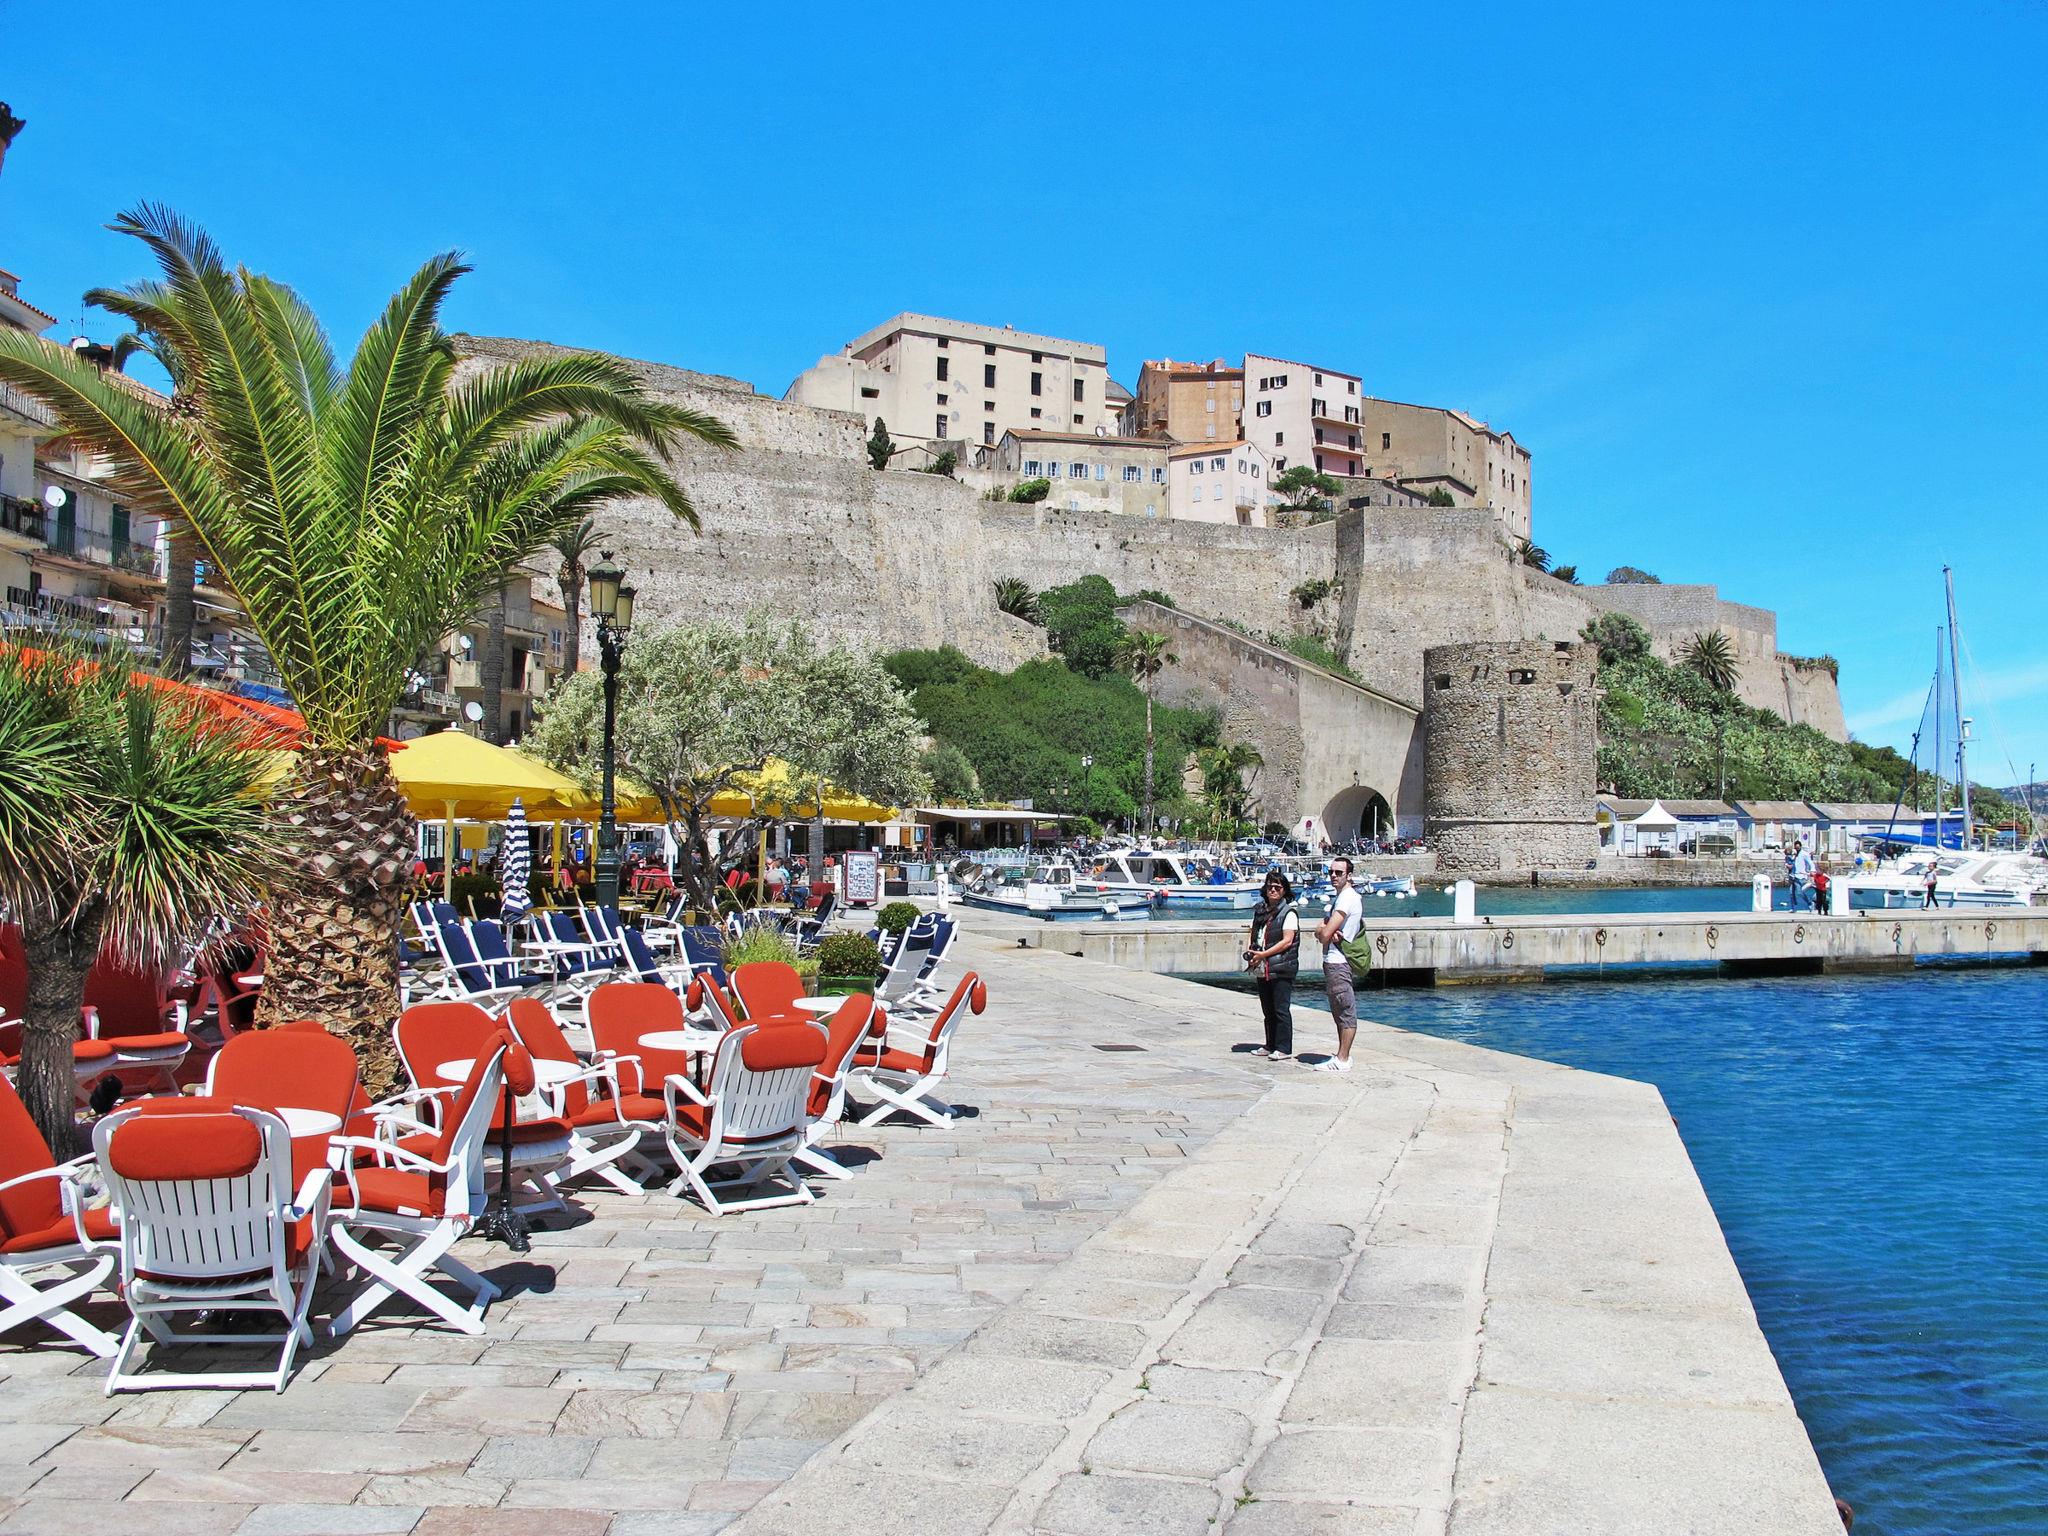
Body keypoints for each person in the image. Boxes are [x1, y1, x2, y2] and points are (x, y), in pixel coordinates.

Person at [1311, 856, 1363, 1073]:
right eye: (1331, 872)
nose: (1333, 876)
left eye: (1338, 872)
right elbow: (1321, 930)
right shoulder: (1341, 898)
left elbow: (1323, 934)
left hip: (1339, 961)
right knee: (1338, 1009)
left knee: (1344, 1008)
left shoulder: (1346, 899)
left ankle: (1343, 1058)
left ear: (1349, 875)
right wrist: (1323, 930)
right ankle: (1341, 1055)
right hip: (1333, 960)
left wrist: (1323, 931)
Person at [1245, 872, 1300, 1060]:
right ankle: (1270, 1044)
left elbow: (1287, 941)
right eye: (1270, 887)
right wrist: (1253, 953)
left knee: (1280, 1009)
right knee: (1267, 1009)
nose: (1273, 890)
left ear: (1284, 890)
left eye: (1277, 887)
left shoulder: (1288, 913)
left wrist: (1264, 954)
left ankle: (1284, 1048)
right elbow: (1254, 934)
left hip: (1282, 966)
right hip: (1264, 966)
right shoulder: (1260, 910)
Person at [1792, 840, 1816, 912]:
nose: (1797, 849)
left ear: (1800, 847)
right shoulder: (1794, 855)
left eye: (1798, 847)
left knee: (1799, 892)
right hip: (1794, 876)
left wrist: (1812, 870)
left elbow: (1810, 863)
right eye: (1796, 847)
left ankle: (1810, 903)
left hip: (1802, 876)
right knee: (1791, 892)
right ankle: (1793, 908)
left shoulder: (1804, 854)